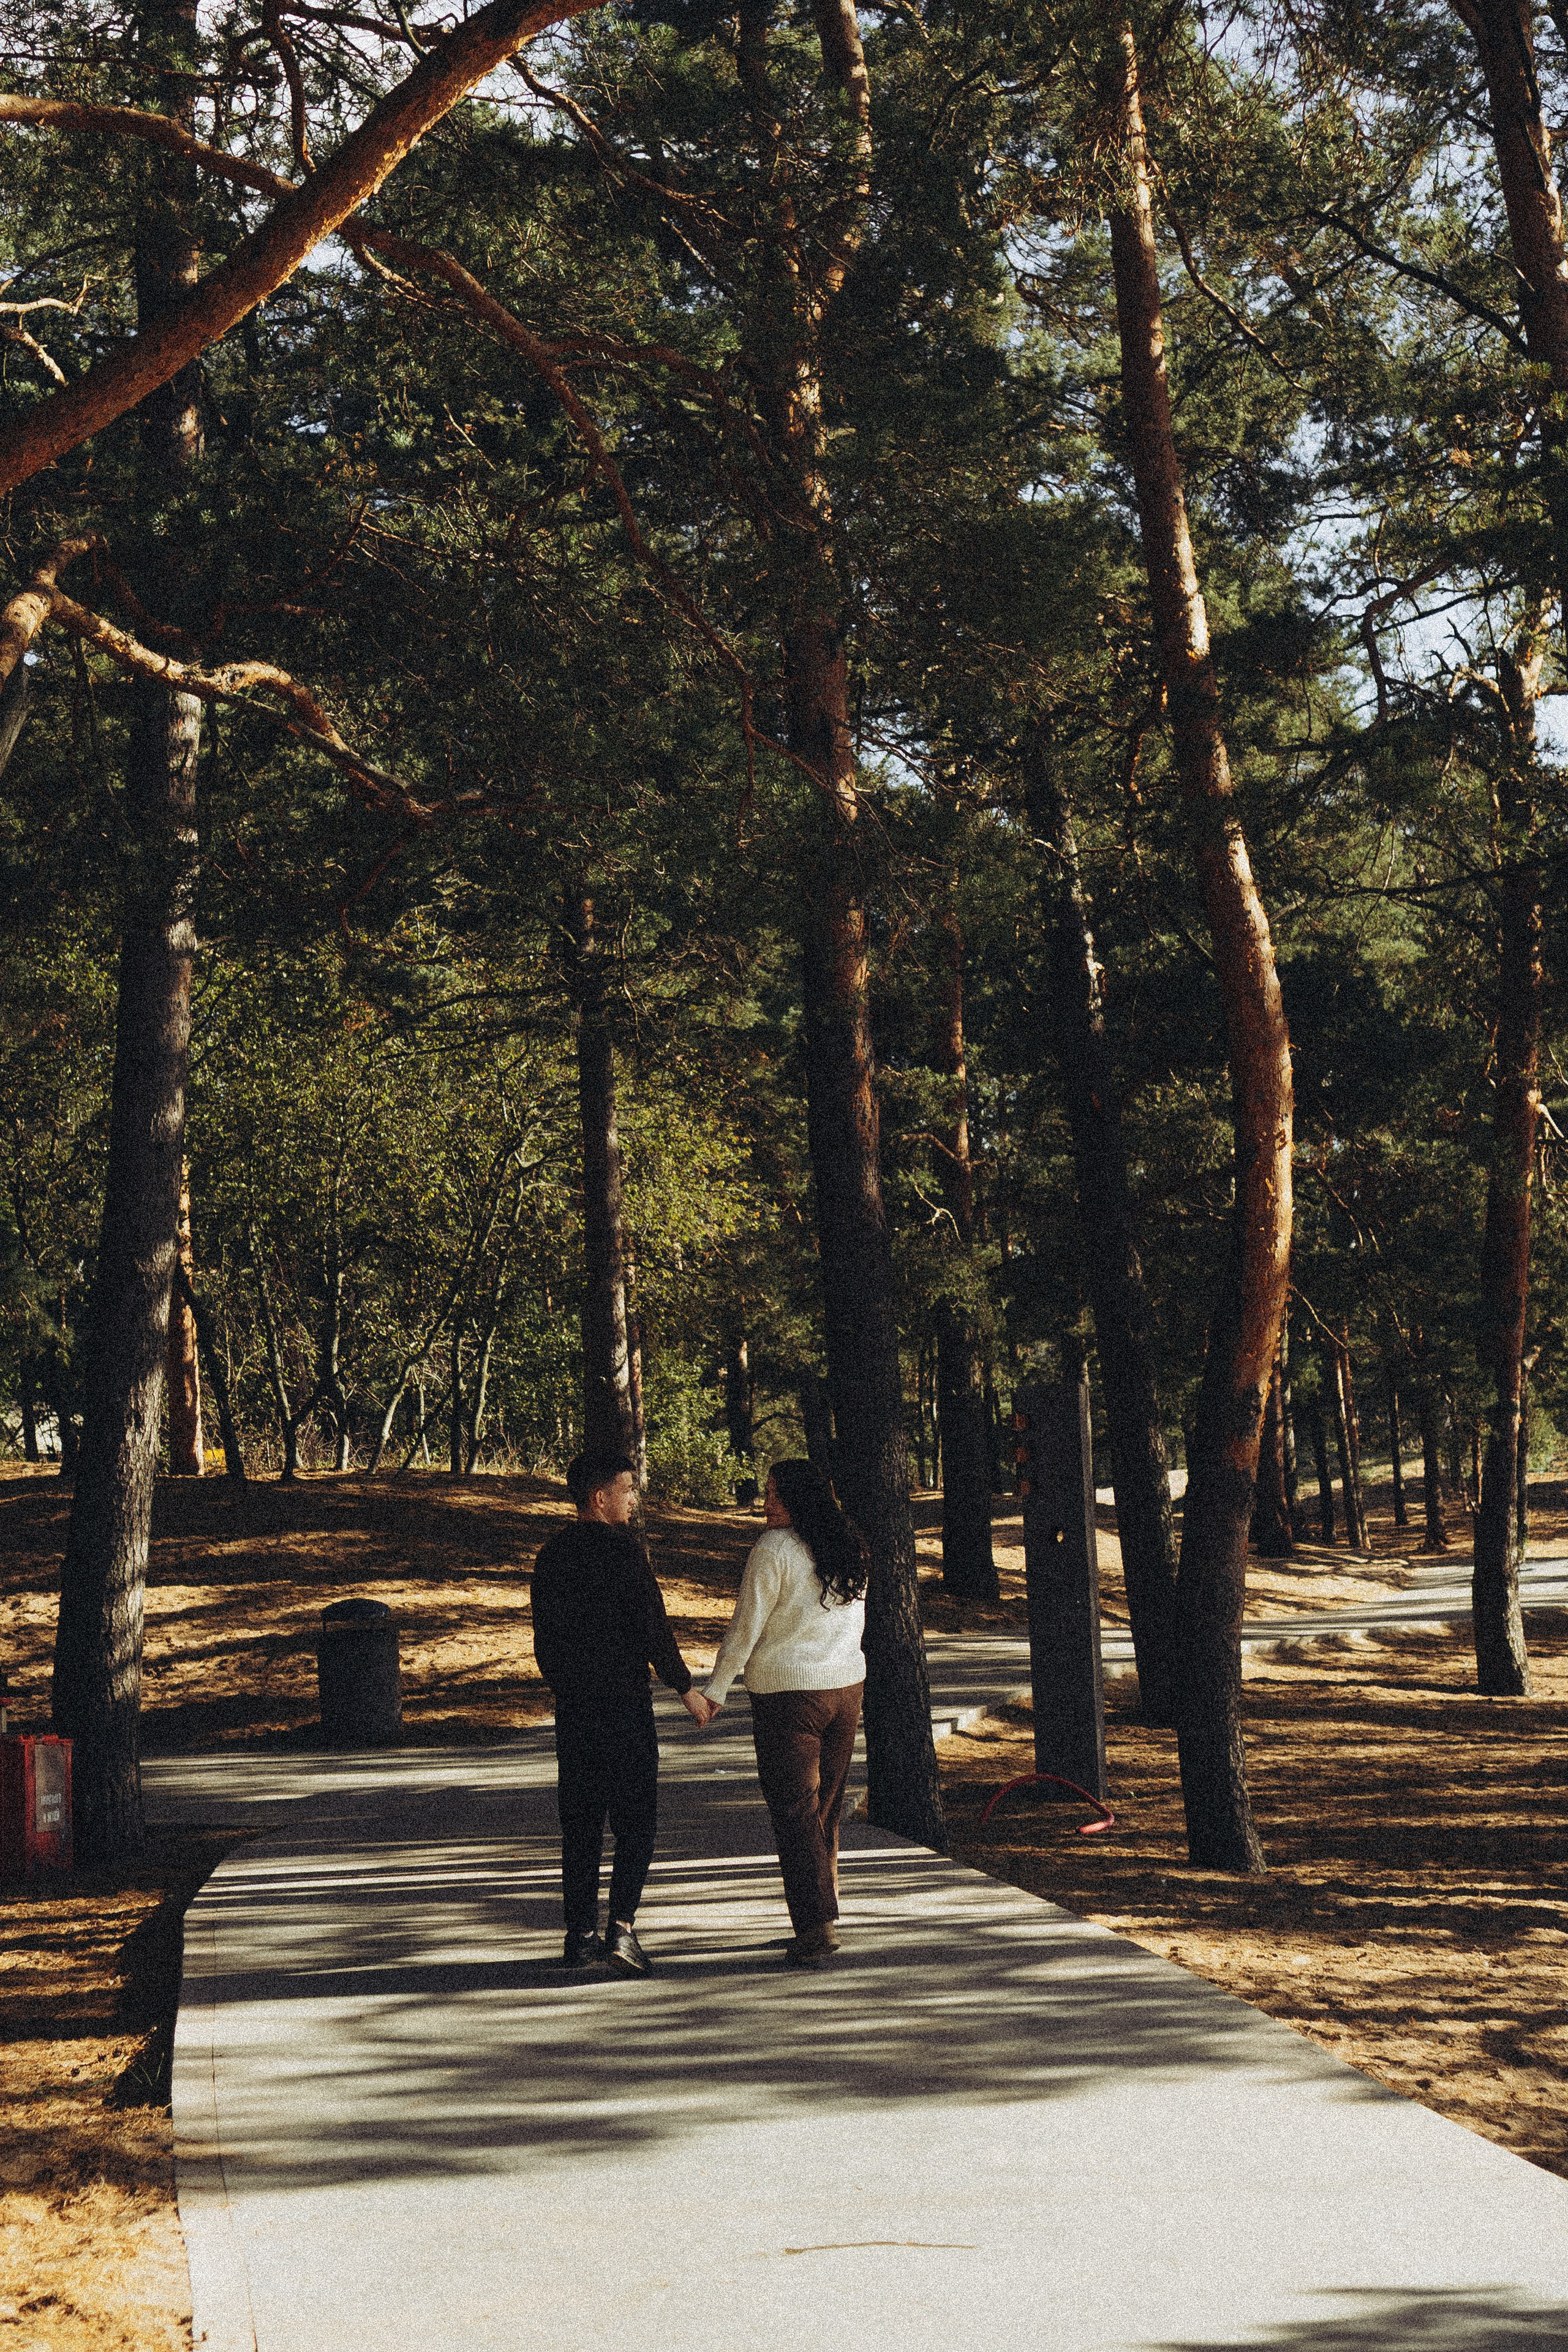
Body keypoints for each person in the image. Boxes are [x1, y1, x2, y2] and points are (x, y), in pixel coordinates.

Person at [531, 1450, 715, 1975]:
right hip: (625, 1708)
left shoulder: (551, 1556)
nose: (634, 1499)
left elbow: (545, 1642)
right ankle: (622, 1929)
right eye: (628, 1490)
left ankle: (579, 1935)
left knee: (581, 1823)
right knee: (636, 1821)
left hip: (576, 1712)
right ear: (599, 1498)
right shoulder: (625, 1553)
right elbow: (653, 1627)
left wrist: (567, 1687)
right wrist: (686, 1689)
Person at [703, 1458, 868, 1969]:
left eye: (775, 1493)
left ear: (800, 1498)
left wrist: (716, 1689)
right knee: (825, 1809)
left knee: (796, 1812)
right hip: (846, 1690)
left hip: (788, 1696)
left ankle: (816, 1926)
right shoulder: (848, 1544)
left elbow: (745, 1627)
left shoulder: (773, 1549)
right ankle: (826, 1911)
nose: (766, 1502)